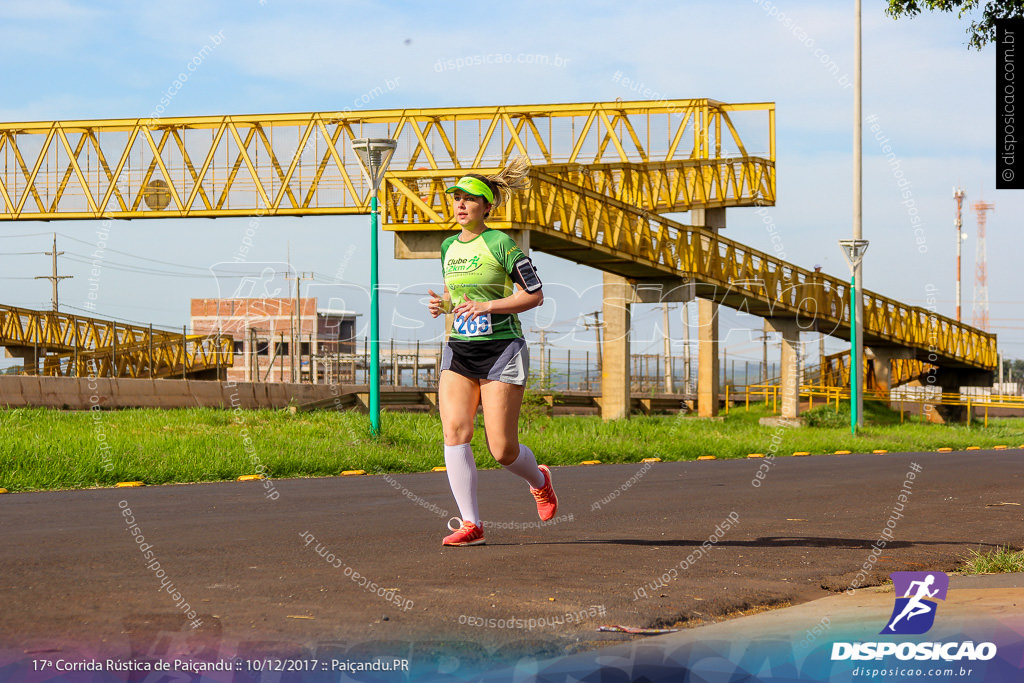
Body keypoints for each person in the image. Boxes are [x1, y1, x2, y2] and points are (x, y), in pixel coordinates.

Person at [426, 157, 556, 546]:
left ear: (487, 207)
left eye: (470, 199)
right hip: (460, 349)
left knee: (501, 449)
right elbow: (457, 295)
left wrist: (488, 307)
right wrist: (443, 305)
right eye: (456, 198)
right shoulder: (448, 246)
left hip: (502, 348)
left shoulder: (500, 243)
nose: (461, 205)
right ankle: (472, 524)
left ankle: (540, 480)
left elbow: (534, 295)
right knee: (455, 431)